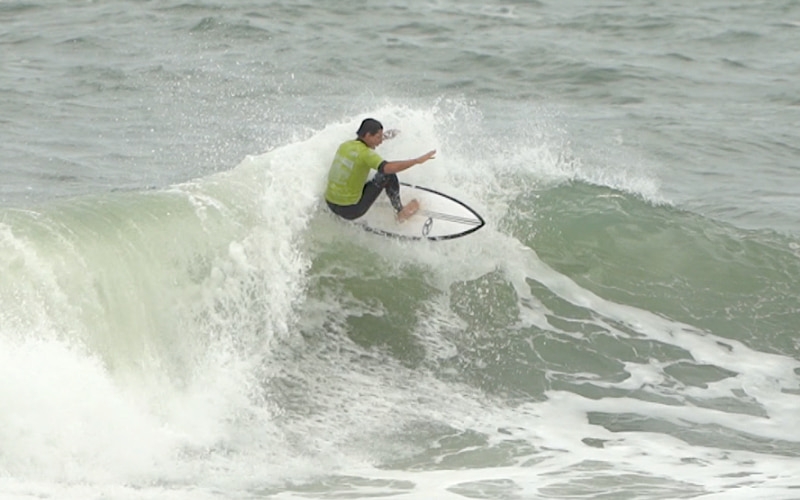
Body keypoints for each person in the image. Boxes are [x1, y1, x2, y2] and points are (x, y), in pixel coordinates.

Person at [324, 118, 436, 222]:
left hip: (330, 203)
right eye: (378, 137)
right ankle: (400, 211)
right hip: (351, 210)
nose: (380, 141)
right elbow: (388, 168)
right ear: (367, 135)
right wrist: (416, 161)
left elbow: (365, 145)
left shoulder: (345, 145)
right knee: (387, 175)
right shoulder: (365, 154)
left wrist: (387, 135)